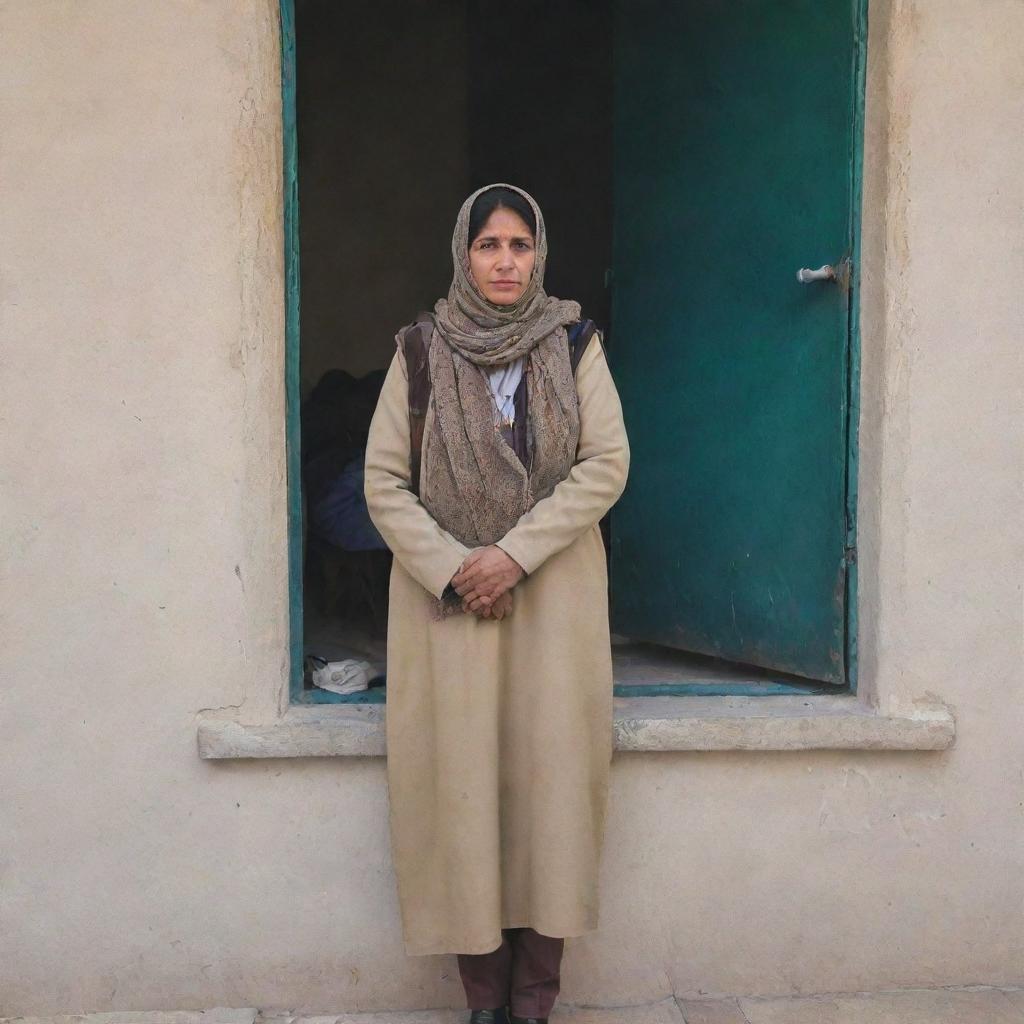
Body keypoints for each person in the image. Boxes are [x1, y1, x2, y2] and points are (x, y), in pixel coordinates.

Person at [363, 183, 630, 1024]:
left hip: (553, 601)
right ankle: (483, 1003)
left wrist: (513, 553)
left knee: (551, 788)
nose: (506, 261)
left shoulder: (575, 342)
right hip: (451, 610)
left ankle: (536, 1002)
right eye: (489, 246)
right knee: (462, 791)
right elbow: (382, 484)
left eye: (519, 245)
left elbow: (605, 465)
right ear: (463, 254)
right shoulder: (416, 351)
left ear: (539, 254)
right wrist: (457, 565)